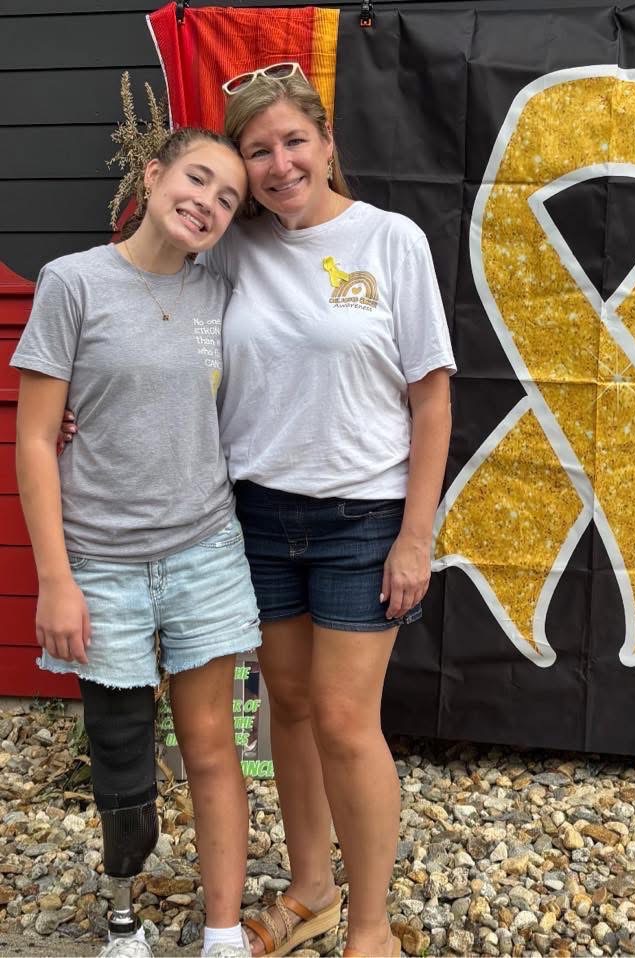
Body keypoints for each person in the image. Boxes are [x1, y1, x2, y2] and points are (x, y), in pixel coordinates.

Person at [207, 62, 455, 958]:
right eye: (257, 151)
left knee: (347, 720)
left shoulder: (390, 240)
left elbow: (432, 397)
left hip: (364, 518)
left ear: (326, 142)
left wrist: (417, 537)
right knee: (291, 706)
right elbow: (145, 301)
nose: (280, 165)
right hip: (258, 515)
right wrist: (82, 396)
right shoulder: (230, 247)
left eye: (293, 142)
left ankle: (371, 926)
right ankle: (310, 891)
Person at [13, 128, 260, 958]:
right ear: (153, 176)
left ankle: (222, 931)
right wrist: (56, 579)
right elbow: (36, 437)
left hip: (203, 551)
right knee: (122, 758)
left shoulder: (220, 293)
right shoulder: (73, 282)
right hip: (101, 562)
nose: (207, 204)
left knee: (212, 747)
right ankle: (124, 916)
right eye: (197, 179)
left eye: (227, 199)